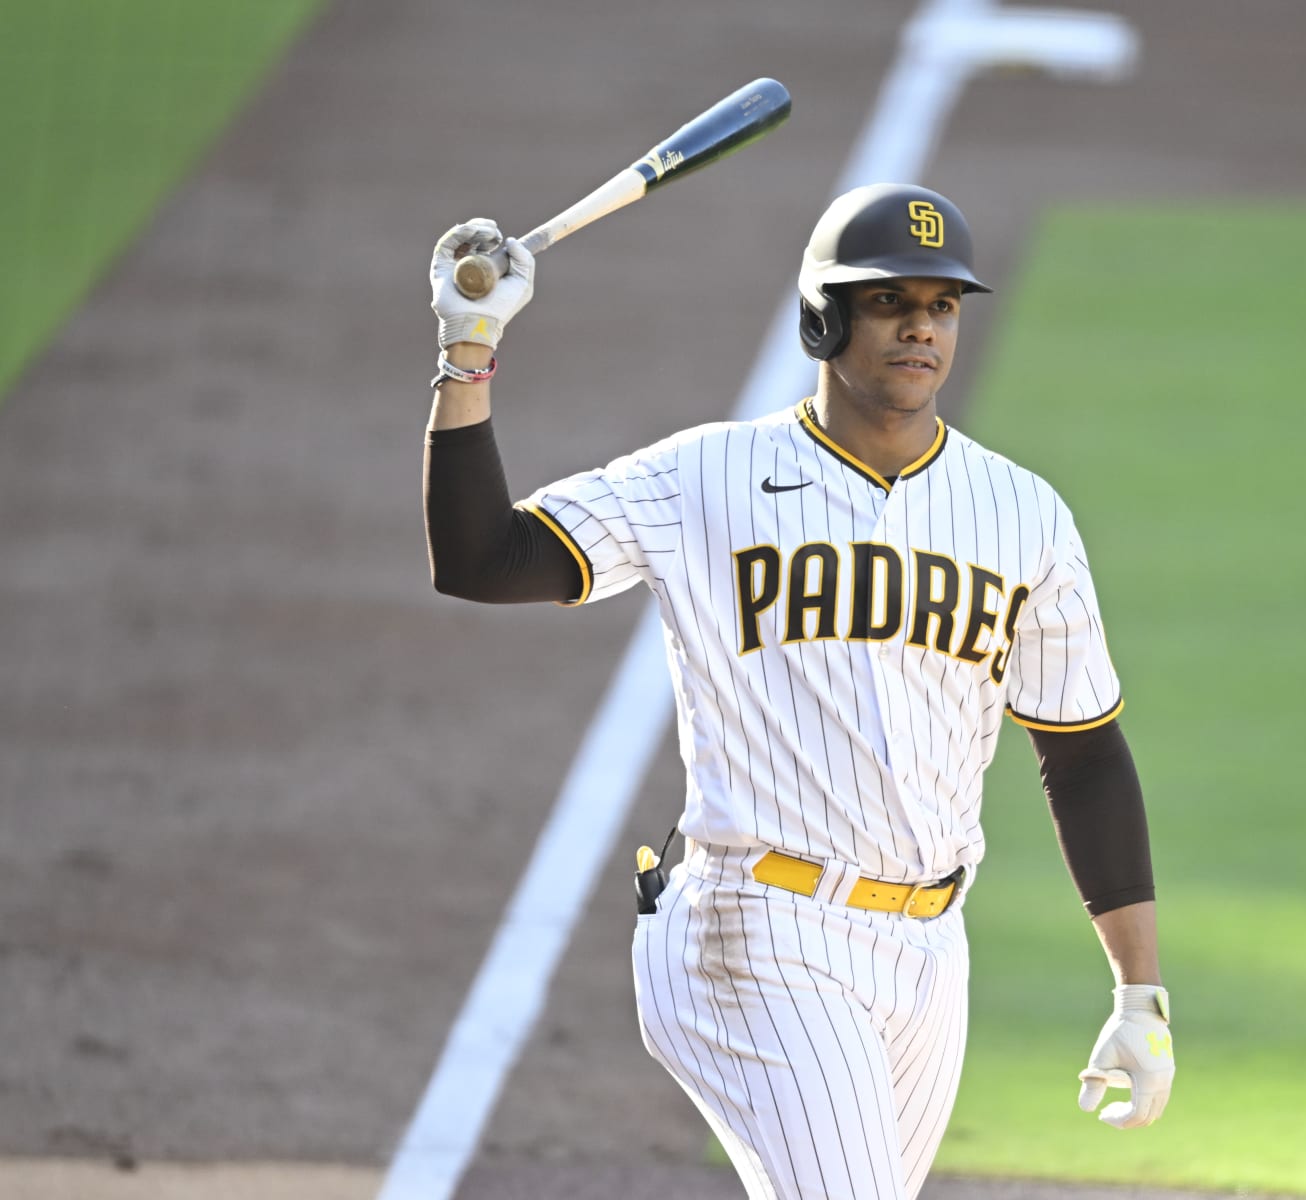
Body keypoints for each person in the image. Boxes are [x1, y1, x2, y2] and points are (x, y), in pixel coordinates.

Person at [422, 183, 1173, 1200]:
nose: (921, 327)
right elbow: (483, 557)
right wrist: (468, 353)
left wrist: (1140, 990)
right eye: (888, 301)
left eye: (942, 305)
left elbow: (1082, 754)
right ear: (824, 316)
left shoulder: (1022, 514)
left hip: (928, 953)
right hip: (758, 926)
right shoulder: (706, 476)